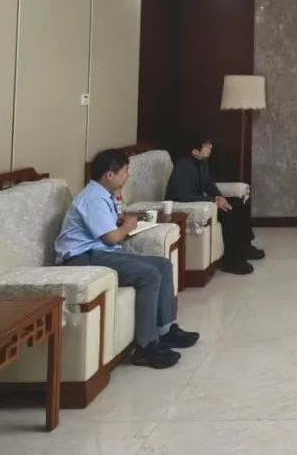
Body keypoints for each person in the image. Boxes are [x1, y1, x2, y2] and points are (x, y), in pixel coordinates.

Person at [55, 149, 199, 370]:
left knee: (162, 265)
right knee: (148, 274)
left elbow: (107, 229)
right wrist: (128, 226)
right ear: (109, 175)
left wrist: (120, 221)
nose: (127, 176)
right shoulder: (93, 198)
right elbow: (112, 238)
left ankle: (165, 330)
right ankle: (146, 347)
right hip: (82, 258)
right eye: (124, 171)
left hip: (99, 252)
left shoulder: (103, 194)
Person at [165, 134, 264, 276]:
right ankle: (232, 262)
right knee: (228, 213)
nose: (210, 147)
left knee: (238, 204)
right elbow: (183, 196)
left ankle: (245, 247)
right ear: (195, 151)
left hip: (201, 200)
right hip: (186, 204)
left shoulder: (202, 162)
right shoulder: (183, 166)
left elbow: (208, 184)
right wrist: (213, 200)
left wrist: (220, 197)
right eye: (206, 146)